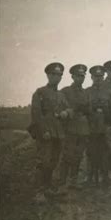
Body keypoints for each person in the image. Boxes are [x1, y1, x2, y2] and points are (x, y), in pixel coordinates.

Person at [29, 62, 71, 200]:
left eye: (59, 75)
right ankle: (38, 191)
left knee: (54, 161)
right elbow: (36, 114)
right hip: (46, 133)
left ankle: (48, 187)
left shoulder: (61, 95)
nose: (57, 77)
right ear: (48, 75)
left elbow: (69, 109)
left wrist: (66, 112)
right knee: (43, 161)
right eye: (54, 74)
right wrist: (43, 131)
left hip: (58, 132)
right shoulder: (40, 92)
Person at [58, 64, 90, 191]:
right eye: (78, 76)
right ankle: (62, 182)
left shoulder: (85, 92)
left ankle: (73, 181)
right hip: (70, 127)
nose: (80, 78)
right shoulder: (65, 91)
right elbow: (60, 108)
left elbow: (89, 109)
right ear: (72, 76)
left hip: (83, 128)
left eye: (82, 76)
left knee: (78, 155)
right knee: (67, 155)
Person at [85, 65, 111, 187]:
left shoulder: (108, 92)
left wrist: (109, 125)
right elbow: (85, 110)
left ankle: (104, 176)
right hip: (91, 127)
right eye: (96, 76)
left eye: (101, 76)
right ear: (91, 77)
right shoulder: (87, 92)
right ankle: (90, 176)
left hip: (104, 127)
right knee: (91, 152)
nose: (98, 79)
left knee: (104, 152)